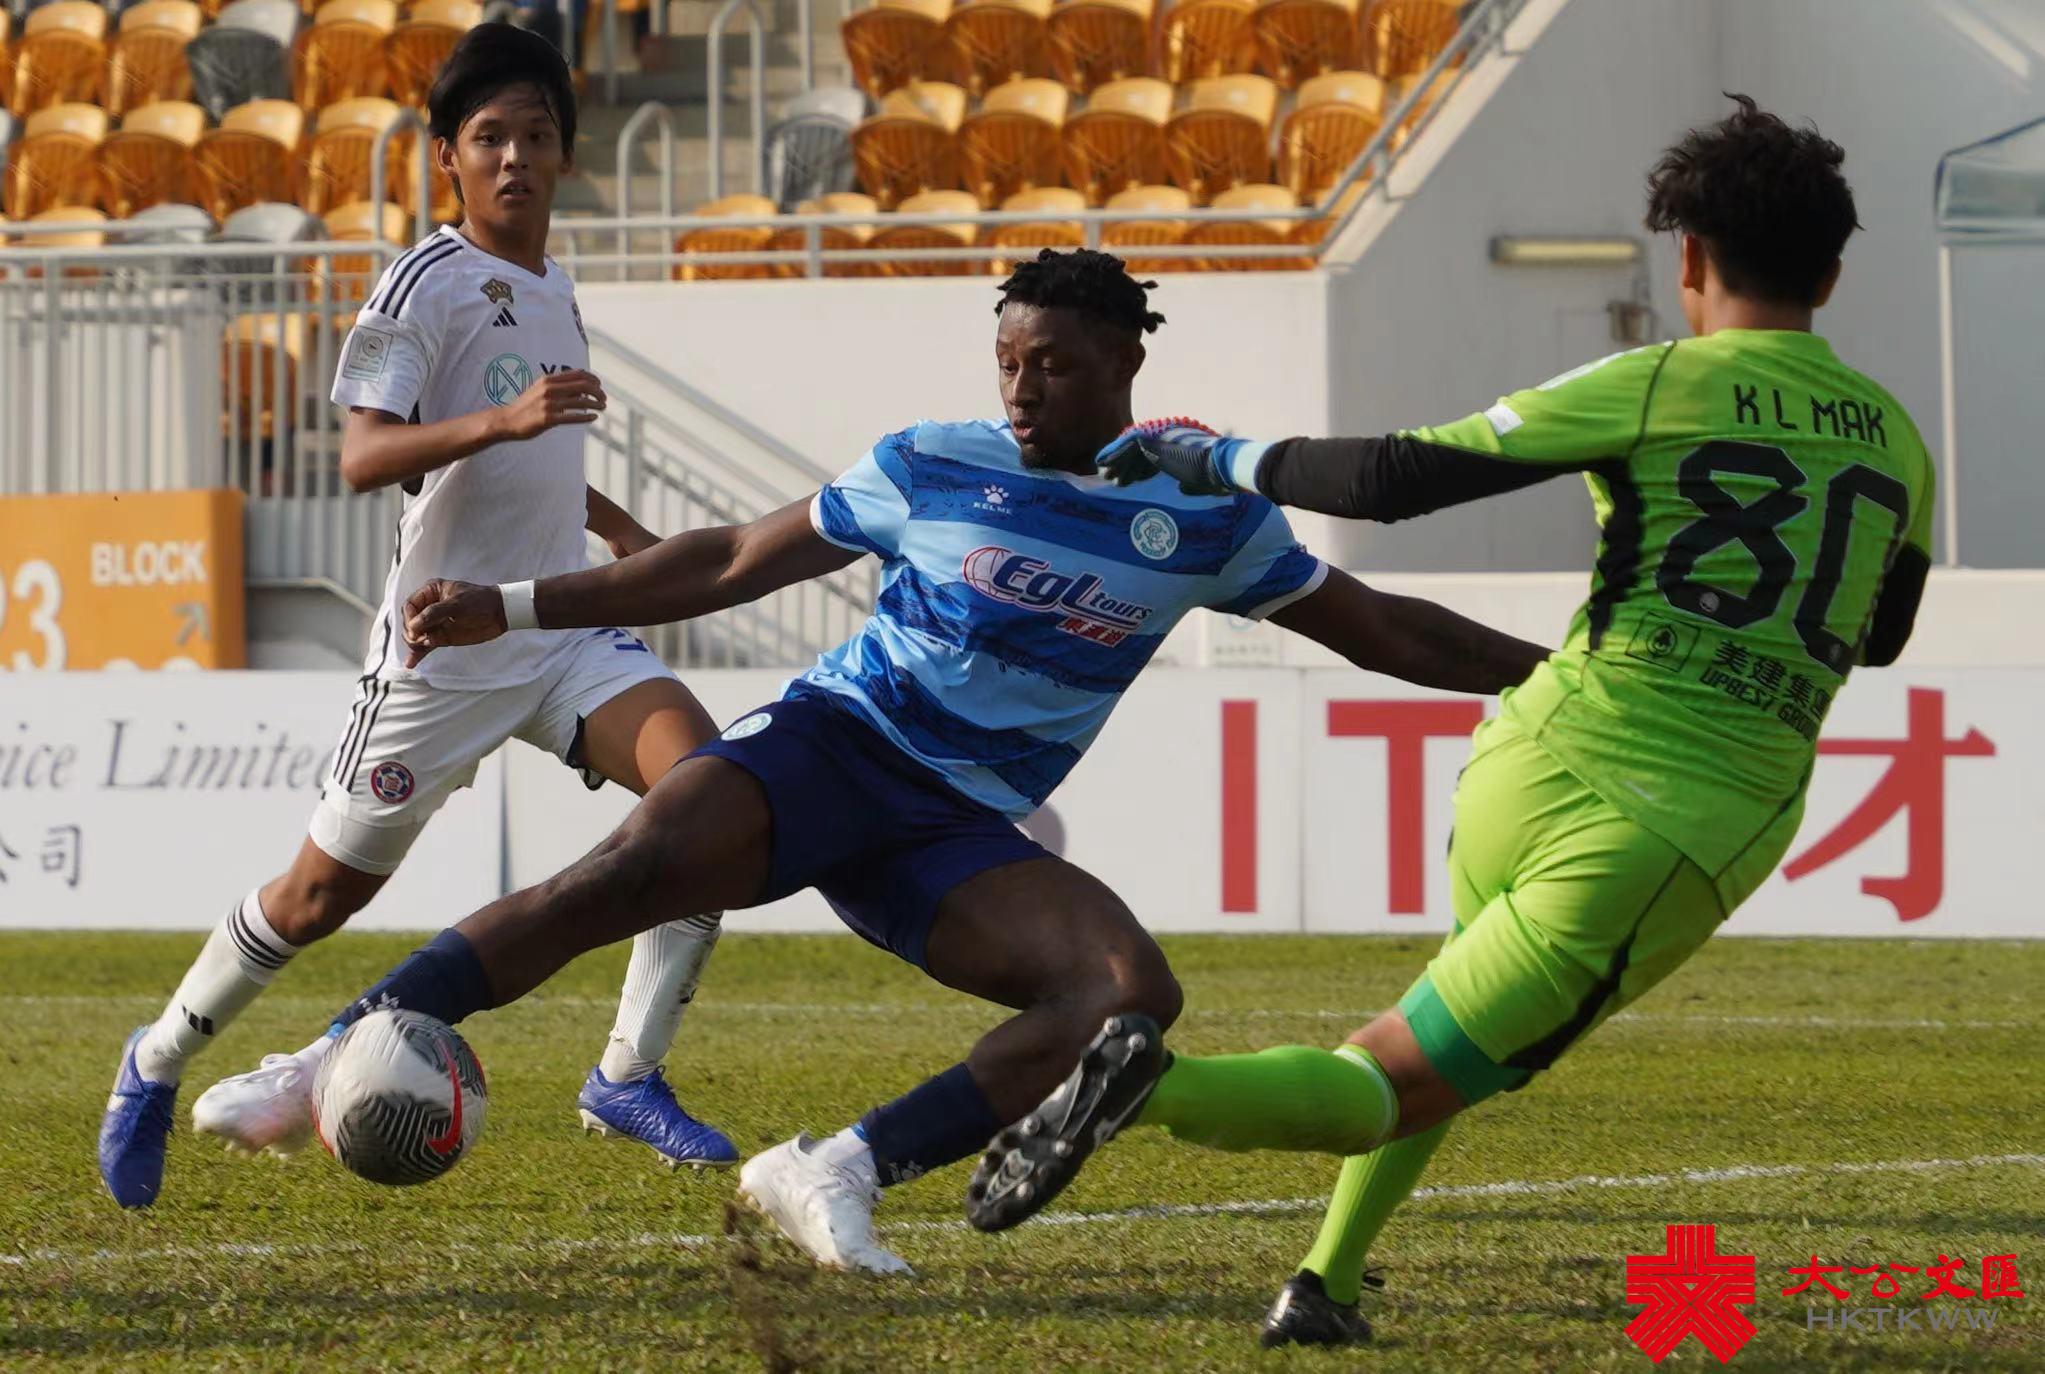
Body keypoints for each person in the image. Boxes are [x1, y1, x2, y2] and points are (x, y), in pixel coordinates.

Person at [192, 248, 1552, 1272]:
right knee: (630, 869)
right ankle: (333, 1050)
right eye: (1007, 360)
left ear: (1124, 364)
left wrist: (1563, 673)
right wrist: (521, 603)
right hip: (835, 746)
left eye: (1052, 364)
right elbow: (728, 559)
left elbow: (1385, 629)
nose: (1020, 386)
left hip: (958, 827)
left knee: (1126, 997)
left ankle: (835, 1167)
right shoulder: (931, 463)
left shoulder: (1204, 516)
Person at [967, 96, 1937, 1349]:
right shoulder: (1898, 443)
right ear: (1833, 272)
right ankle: (1150, 1090)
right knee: (1389, 1078)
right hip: (1671, 825)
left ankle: (1326, 1282)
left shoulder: (1655, 381)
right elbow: (1883, 632)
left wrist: (1224, 458)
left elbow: (1397, 478)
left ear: (1690, 258)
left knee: (1442, 1023)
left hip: (1536, 752)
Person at [97, 25, 735, 1211]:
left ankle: (625, 1076)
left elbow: (538, 463)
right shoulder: (420, 283)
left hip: (554, 630)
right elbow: (362, 457)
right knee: (314, 900)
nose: (514, 159)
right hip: (440, 650)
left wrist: (617, 530)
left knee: (714, 801)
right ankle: (157, 1060)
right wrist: (502, 420)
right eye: (489, 138)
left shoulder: (556, 283)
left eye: (535, 136)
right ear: (448, 157)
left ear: (566, 154)